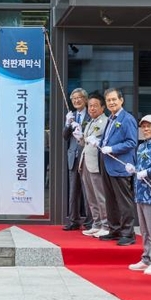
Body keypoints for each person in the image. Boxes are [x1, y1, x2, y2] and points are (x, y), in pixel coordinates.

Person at [97, 87, 138, 244]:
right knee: (111, 200)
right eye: (108, 100)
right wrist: (99, 144)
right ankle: (114, 229)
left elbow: (132, 142)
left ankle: (128, 233)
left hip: (121, 166)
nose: (111, 102)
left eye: (114, 99)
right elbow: (107, 139)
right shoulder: (111, 118)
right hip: (107, 165)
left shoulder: (127, 119)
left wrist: (113, 149)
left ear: (121, 100)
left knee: (123, 201)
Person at [127, 115, 151, 273]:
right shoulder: (141, 146)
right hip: (140, 193)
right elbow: (139, 166)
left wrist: (146, 172)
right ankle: (147, 258)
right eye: (144, 126)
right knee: (144, 230)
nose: (146, 129)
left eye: (150, 126)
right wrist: (133, 169)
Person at [78, 93, 110, 237]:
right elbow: (85, 143)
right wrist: (79, 137)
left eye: (95, 106)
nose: (91, 109)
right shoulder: (90, 122)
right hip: (85, 162)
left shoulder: (105, 122)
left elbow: (102, 142)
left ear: (102, 108)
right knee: (91, 196)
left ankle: (106, 224)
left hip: (96, 164)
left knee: (100, 195)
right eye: (90, 106)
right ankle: (96, 223)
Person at [61, 88, 90, 230]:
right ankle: (73, 220)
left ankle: (90, 221)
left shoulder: (90, 115)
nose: (76, 101)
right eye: (74, 99)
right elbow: (65, 136)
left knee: (88, 191)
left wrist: (82, 132)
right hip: (73, 157)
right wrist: (68, 124)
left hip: (87, 157)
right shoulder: (71, 116)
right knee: (73, 191)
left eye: (79, 98)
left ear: (85, 99)